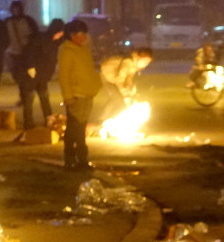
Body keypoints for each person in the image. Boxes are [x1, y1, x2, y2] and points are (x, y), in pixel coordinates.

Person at [58, 19, 101, 171]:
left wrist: (96, 83)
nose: (84, 38)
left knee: (80, 130)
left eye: (85, 34)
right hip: (76, 96)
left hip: (87, 95)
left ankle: (81, 161)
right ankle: (71, 161)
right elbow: (63, 76)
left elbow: (89, 70)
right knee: (73, 131)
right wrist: (68, 97)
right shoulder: (67, 51)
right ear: (72, 35)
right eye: (80, 34)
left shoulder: (83, 49)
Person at [25, 18, 65, 127]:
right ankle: (28, 123)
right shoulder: (41, 38)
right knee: (29, 100)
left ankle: (49, 121)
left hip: (43, 76)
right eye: (59, 33)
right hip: (33, 75)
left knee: (45, 99)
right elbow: (31, 52)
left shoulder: (56, 42)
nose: (60, 35)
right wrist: (30, 66)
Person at [5, 1, 39, 125]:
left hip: (26, 54)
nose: (15, 11)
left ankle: (26, 98)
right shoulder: (8, 22)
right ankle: (24, 96)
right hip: (14, 54)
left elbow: (35, 36)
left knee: (26, 80)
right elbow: (4, 37)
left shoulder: (28, 21)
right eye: (13, 9)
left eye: (17, 9)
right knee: (18, 78)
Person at [98, 47, 154, 121]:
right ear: (138, 58)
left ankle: (114, 120)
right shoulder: (128, 63)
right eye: (144, 61)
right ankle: (101, 120)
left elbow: (128, 79)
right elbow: (120, 79)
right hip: (107, 76)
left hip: (114, 78)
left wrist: (130, 90)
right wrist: (125, 94)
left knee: (122, 100)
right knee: (116, 98)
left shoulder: (134, 66)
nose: (145, 64)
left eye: (147, 63)